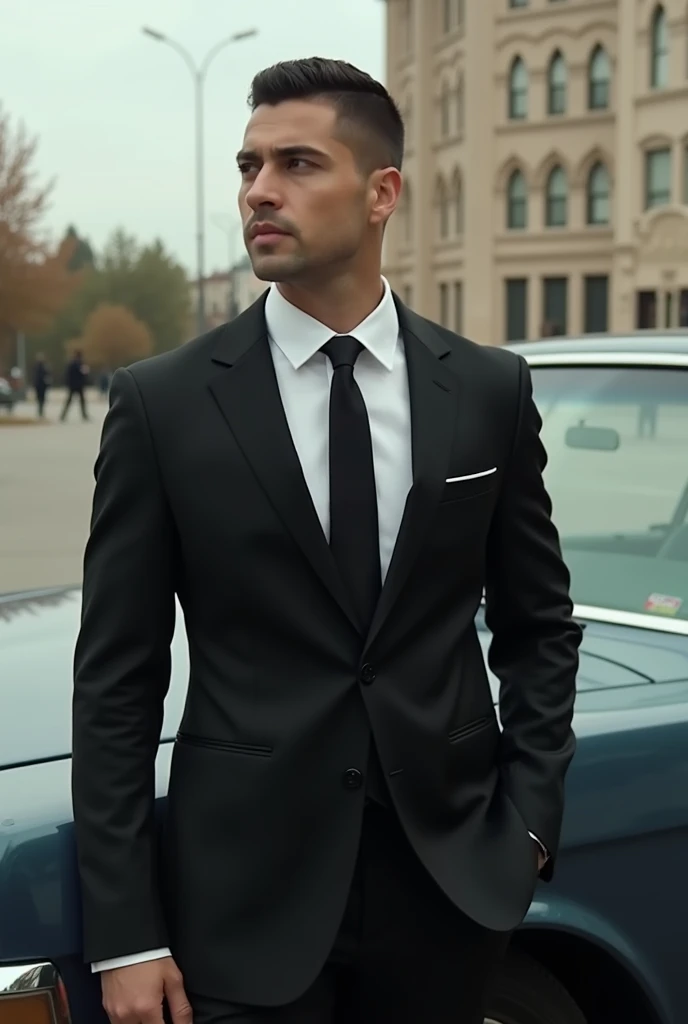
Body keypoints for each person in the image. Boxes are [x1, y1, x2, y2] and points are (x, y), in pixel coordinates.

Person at [71, 57, 582, 1024]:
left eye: (298, 163)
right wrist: (127, 932)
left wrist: (527, 828)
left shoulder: (487, 389)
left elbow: (540, 627)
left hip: (449, 892)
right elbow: (116, 681)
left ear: (382, 192)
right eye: (249, 165)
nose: (259, 190)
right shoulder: (162, 405)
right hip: (241, 908)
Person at [60, 349, 89, 421]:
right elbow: (81, 373)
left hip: (74, 385)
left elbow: (67, 375)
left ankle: (63, 415)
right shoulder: (76, 364)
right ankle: (83, 415)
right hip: (76, 385)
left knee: (71, 401)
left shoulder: (73, 363)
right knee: (78, 401)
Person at [33, 354, 50, 418]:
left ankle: (41, 411)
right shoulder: (42, 367)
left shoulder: (41, 367)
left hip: (41, 386)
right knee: (41, 399)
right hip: (41, 386)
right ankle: (40, 411)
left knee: (41, 399)